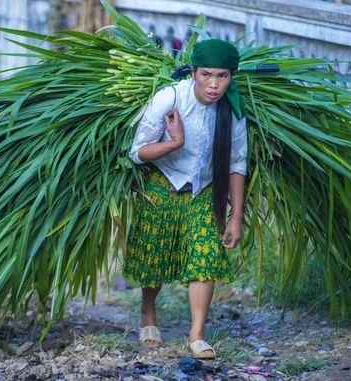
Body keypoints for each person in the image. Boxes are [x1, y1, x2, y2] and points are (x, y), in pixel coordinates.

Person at [123, 39, 248, 359]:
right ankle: (147, 313)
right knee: (155, 254)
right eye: (206, 74)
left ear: (231, 76)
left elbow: (236, 163)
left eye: (223, 76)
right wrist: (174, 142)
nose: (214, 84)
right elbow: (137, 153)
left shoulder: (232, 109)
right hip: (162, 186)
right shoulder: (170, 98)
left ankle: (196, 334)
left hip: (203, 191)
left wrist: (235, 216)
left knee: (205, 254)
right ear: (193, 72)